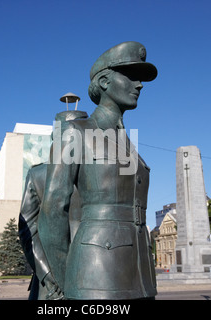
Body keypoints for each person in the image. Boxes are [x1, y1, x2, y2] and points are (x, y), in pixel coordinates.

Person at [38, 41, 158, 299]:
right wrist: (68, 277)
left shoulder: (125, 140)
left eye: (140, 79)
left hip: (139, 277)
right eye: (131, 76)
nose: (139, 85)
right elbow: (52, 210)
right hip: (97, 276)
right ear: (104, 81)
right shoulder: (76, 133)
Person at [18, 110, 87, 300]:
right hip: (91, 276)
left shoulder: (37, 174)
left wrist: (48, 276)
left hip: (49, 286)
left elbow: (27, 231)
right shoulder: (104, 177)